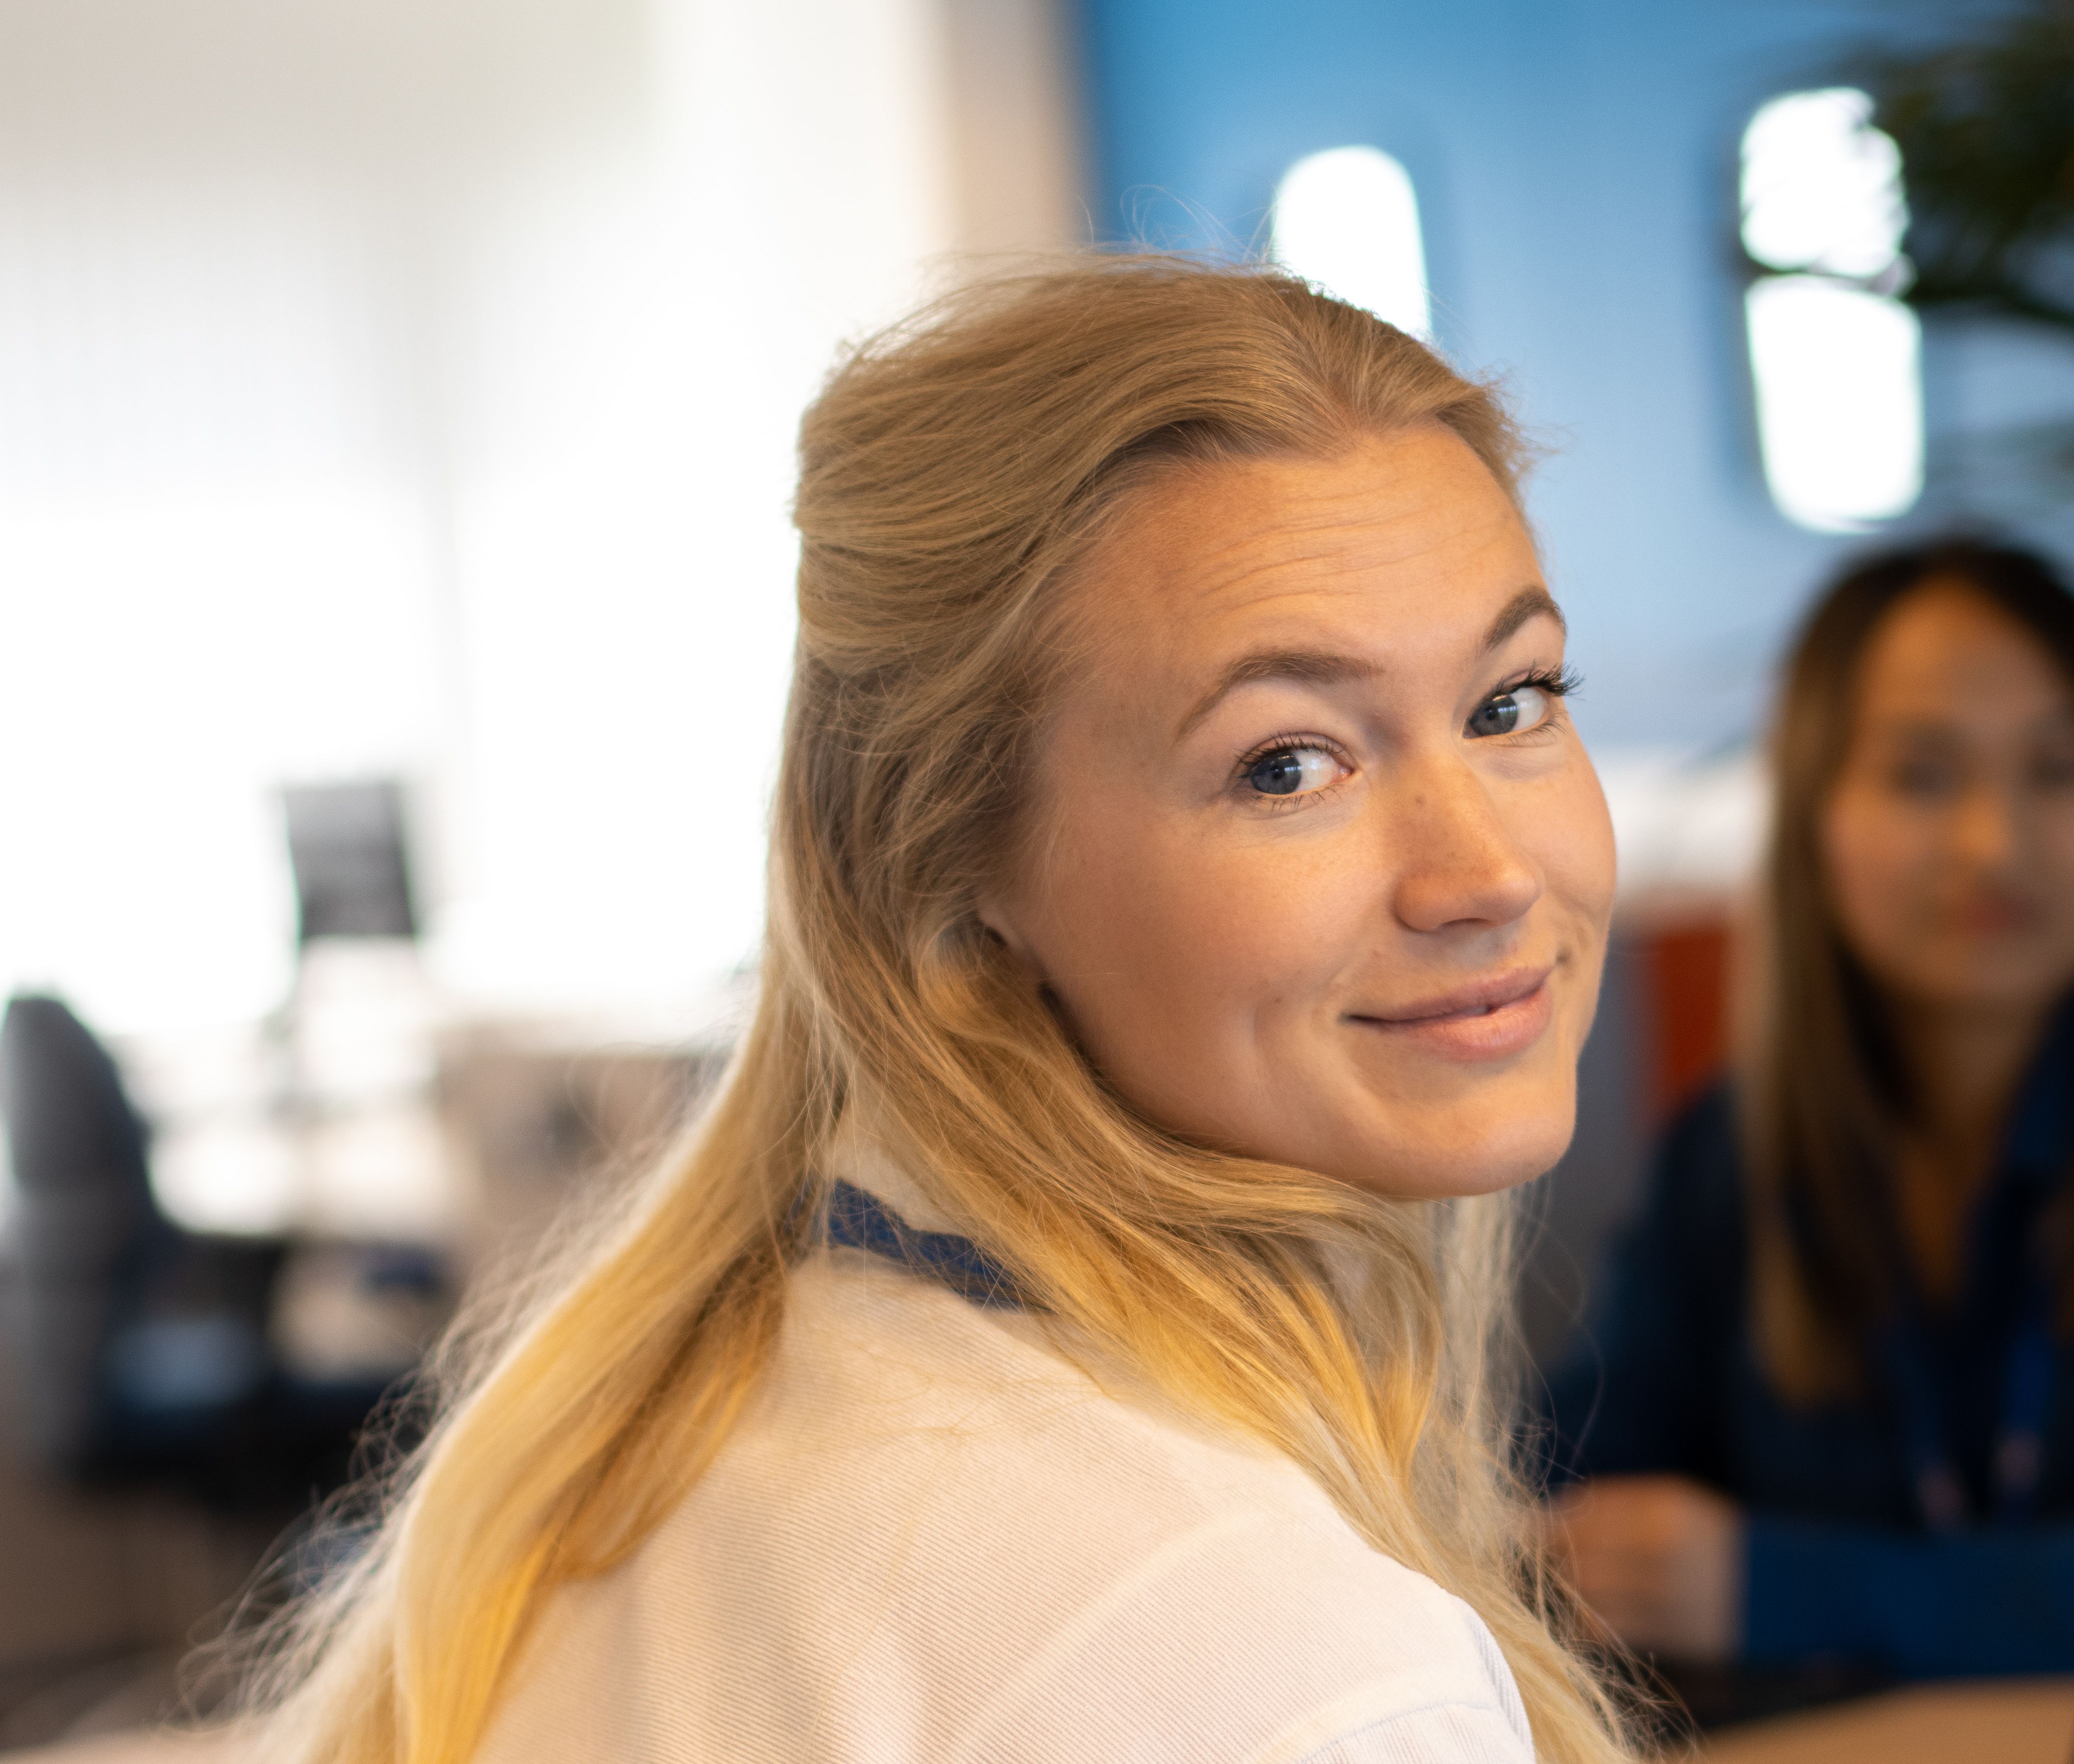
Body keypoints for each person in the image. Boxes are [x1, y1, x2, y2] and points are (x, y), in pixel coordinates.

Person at [240, 261, 1640, 1763]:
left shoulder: (694, 1413)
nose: (1487, 872)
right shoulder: (1281, 1658)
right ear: (963, 875)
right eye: (1287, 764)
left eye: (1513, 702)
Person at [1539, 538, 2074, 1683]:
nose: (1992, 844)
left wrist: (1777, 1584)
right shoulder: (1732, 1148)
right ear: (1815, 817)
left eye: (2059, 770)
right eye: (1921, 774)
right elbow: (1561, 1478)